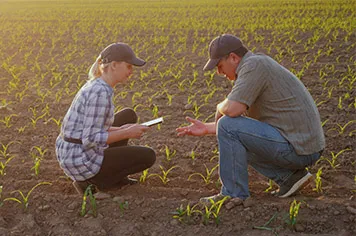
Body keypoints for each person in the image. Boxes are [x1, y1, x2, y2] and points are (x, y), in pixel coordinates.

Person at [176, 34, 325, 204]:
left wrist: (219, 107)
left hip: (298, 147)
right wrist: (208, 128)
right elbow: (243, 126)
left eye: (219, 66)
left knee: (227, 124)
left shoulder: (253, 66)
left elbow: (232, 111)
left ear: (233, 57)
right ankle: (289, 178)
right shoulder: (255, 65)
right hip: (302, 144)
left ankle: (233, 193)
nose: (219, 72)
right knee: (230, 130)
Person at [55, 43, 156, 195]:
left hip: (72, 150)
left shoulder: (98, 84)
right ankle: (91, 182)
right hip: (79, 159)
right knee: (148, 156)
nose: (131, 71)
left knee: (128, 115)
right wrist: (127, 133)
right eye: (129, 66)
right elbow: (90, 139)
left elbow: (95, 127)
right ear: (114, 65)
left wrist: (123, 128)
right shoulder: (99, 93)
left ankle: (116, 177)